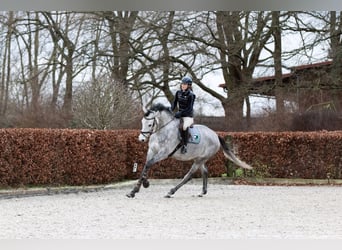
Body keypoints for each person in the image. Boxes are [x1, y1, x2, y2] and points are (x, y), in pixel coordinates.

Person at [171, 76, 196, 154]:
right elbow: (174, 103)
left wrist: (180, 113)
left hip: (188, 116)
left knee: (184, 127)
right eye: (182, 84)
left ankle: (185, 145)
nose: (183, 85)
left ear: (189, 85)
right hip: (180, 114)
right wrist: (170, 110)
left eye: (185, 84)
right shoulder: (178, 93)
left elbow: (189, 108)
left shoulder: (191, 95)